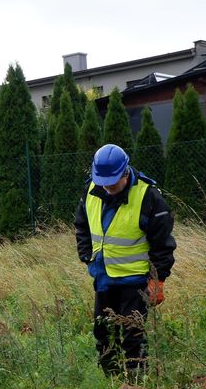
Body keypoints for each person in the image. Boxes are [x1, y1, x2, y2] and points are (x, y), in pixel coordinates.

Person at [74, 144, 176, 377]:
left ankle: (136, 387)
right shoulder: (90, 190)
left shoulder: (148, 197)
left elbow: (163, 244)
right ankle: (110, 382)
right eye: (103, 180)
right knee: (103, 333)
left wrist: (158, 280)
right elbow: (82, 225)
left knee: (133, 335)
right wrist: (86, 255)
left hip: (134, 281)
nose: (108, 186)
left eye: (112, 181)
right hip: (103, 278)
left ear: (125, 172)